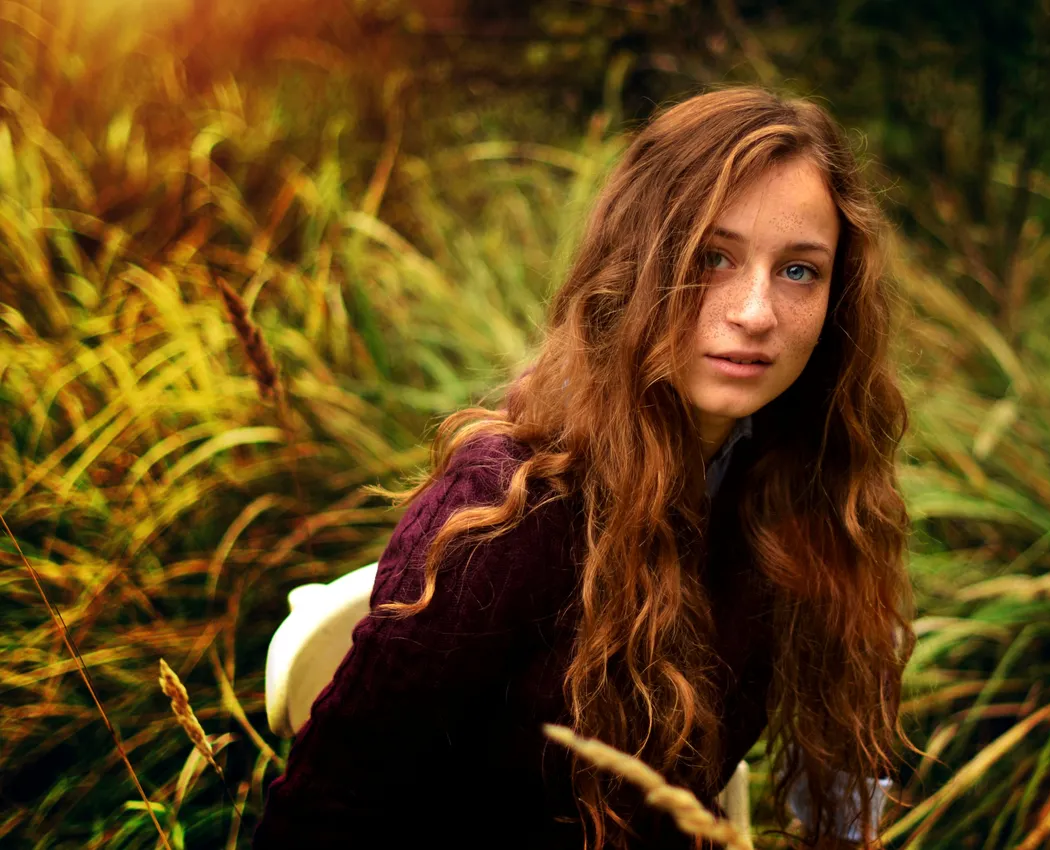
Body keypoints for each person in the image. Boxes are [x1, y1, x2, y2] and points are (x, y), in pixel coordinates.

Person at [252, 84, 915, 850]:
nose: (756, 311)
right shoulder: (510, 506)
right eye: (712, 257)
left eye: (799, 271)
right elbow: (324, 812)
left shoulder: (807, 487)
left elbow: (841, 784)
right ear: (637, 264)